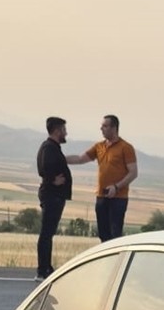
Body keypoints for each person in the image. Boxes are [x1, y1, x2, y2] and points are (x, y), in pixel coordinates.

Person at [66, 115, 138, 241]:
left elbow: (133, 173)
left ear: (114, 128)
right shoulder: (99, 146)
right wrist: (59, 158)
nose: (101, 129)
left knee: (115, 234)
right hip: (101, 196)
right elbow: (80, 159)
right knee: (103, 233)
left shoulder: (126, 148)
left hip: (118, 198)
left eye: (105, 126)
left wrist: (116, 187)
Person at [36, 117, 72, 279]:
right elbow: (43, 168)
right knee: (46, 233)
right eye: (64, 130)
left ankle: (46, 267)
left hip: (55, 196)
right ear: (57, 131)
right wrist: (53, 180)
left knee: (48, 233)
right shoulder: (49, 148)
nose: (66, 133)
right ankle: (43, 268)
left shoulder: (51, 147)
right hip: (52, 196)